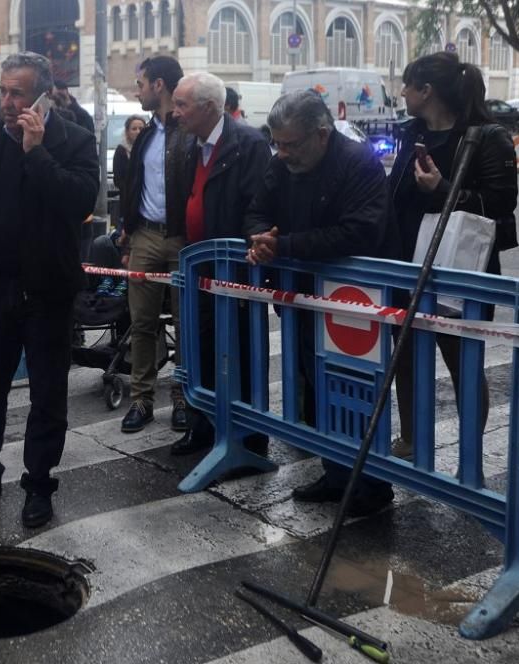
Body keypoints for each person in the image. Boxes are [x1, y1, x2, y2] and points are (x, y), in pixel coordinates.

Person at [0, 52, 99, 528]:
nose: (6, 102)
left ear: (43, 96)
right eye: (3, 91)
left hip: (47, 294)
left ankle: (39, 485)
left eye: (17, 93)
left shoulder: (74, 140)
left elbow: (77, 202)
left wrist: (37, 151)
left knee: (47, 395)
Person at [244, 91, 399, 516]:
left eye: (292, 144)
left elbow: (359, 233)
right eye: (278, 143)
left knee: (356, 388)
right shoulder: (280, 164)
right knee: (318, 383)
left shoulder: (358, 163)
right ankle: (336, 474)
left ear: (322, 134)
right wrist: (261, 240)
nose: (283, 153)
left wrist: (285, 246)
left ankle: (369, 485)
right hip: (302, 294)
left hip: (353, 298)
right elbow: (256, 211)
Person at [389, 52, 518, 459]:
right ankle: (411, 440)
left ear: (426, 91)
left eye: (408, 84)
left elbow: (500, 205)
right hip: (409, 263)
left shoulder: (486, 136)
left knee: (462, 360)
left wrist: (441, 188)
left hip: (461, 268)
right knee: (405, 355)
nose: (402, 92)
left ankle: (469, 455)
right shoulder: (410, 133)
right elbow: (396, 196)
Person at [167, 72, 272, 456]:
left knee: (242, 352)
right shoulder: (187, 143)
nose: (175, 112)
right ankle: (203, 428)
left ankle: (248, 438)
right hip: (198, 267)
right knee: (200, 349)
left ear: (209, 108)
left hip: (235, 271)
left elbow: (257, 209)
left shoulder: (248, 144)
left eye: (182, 105)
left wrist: (244, 261)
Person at [117, 55, 192, 435]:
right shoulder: (144, 134)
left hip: (182, 239)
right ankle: (141, 399)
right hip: (144, 235)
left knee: (186, 323)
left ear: (159, 85)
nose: (138, 90)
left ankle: (183, 397)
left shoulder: (188, 130)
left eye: (141, 83)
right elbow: (133, 186)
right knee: (142, 323)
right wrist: (127, 232)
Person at [112, 115, 147, 208]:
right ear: (127, 132)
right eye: (134, 129)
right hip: (130, 201)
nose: (138, 131)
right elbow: (118, 178)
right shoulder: (122, 150)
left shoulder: (150, 147)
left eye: (141, 128)